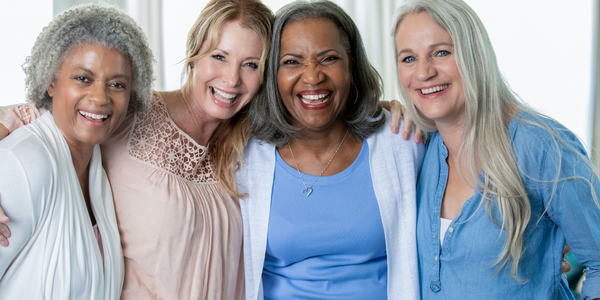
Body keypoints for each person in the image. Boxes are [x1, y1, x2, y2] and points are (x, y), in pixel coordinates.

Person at [0, 0, 273, 299]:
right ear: (194, 54)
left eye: (251, 64)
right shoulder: (128, 111)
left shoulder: (254, 149)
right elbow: (42, 114)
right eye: (219, 56)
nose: (231, 79)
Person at [393, 0, 600, 298]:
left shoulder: (542, 145)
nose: (424, 72)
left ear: (473, 54)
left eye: (441, 52)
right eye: (408, 58)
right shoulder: (417, 146)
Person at [237, 1, 425, 299]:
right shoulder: (244, 157)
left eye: (328, 58)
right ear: (271, 73)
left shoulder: (399, 141)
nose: (312, 76)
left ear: (351, 64)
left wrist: (418, 112)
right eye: (292, 61)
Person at [0, 3, 154, 298]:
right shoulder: (25, 164)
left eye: (117, 84)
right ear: (51, 82)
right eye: (83, 78)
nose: (100, 97)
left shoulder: (97, 167)